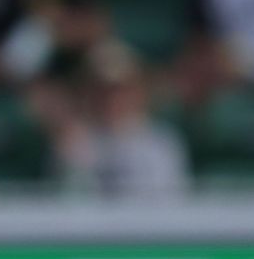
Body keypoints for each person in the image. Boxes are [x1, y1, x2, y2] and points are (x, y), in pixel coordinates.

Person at [52, 42, 188, 196]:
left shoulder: (162, 144)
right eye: (102, 89)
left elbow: (170, 206)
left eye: (121, 90)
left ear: (138, 90)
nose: (112, 99)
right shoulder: (73, 141)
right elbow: (67, 205)